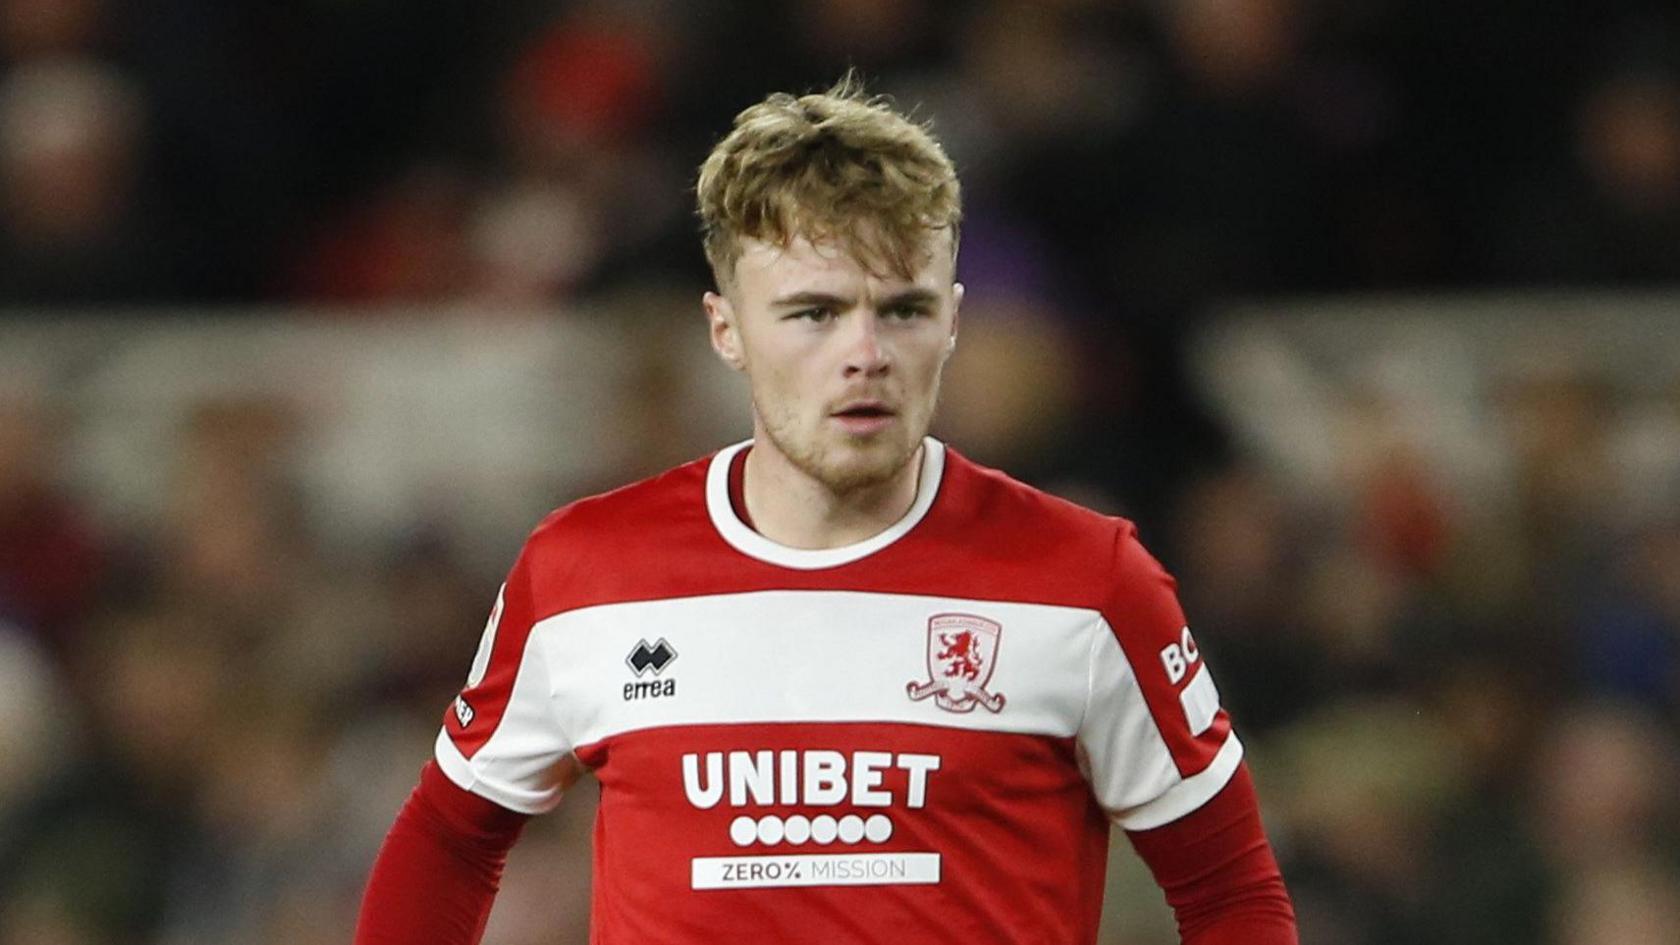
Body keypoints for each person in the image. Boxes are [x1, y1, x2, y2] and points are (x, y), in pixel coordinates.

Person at [354, 76, 1297, 945]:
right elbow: (450, 834)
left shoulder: (1088, 583)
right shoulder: (583, 572)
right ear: (726, 328)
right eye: (813, 312)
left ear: (954, 320)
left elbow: (1230, 894)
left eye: (903, 310)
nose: (865, 353)